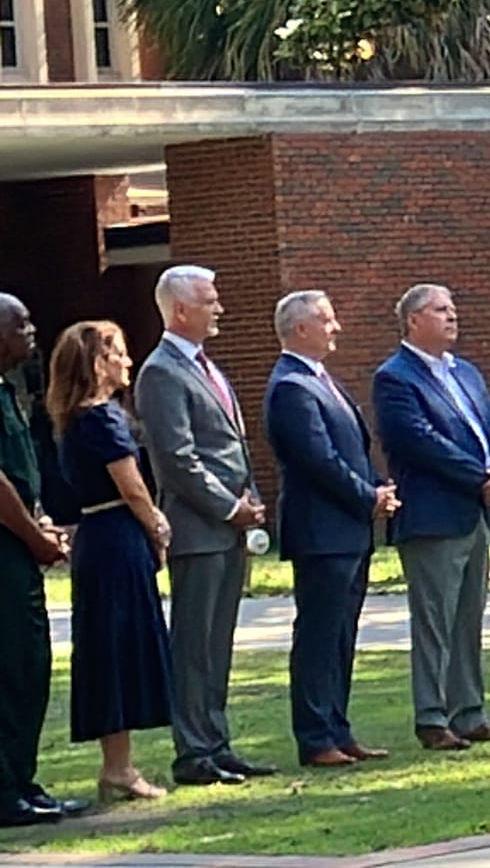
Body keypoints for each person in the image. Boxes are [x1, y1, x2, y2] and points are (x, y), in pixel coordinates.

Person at [132, 265, 274, 787]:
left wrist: (250, 500)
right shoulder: (161, 371)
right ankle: (193, 752)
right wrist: (226, 507)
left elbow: (230, 446)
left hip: (229, 526)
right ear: (181, 309)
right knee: (193, 645)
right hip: (198, 530)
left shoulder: (206, 366)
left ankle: (218, 742)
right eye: (210, 301)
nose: (220, 309)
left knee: (219, 643)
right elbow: (177, 459)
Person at [372, 283, 490, 752]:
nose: (453, 316)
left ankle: (470, 712)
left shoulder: (467, 373)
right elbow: (416, 441)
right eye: (442, 310)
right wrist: (479, 475)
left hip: (477, 512)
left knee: (468, 620)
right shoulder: (395, 378)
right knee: (435, 622)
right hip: (434, 516)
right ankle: (432, 717)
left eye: (454, 308)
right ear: (414, 320)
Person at [263, 291, 399, 768]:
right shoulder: (291, 386)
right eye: (326, 319)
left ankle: (338, 728)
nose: (336, 326)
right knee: (319, 635)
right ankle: (315, 736)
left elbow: (351, 450)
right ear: (300, 329)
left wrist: (376, 488)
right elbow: (318, 460)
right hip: (321, 533)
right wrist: (368, 496)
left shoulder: (323, 380)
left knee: (343, 634)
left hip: (348, 531)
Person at [48, 321, 173, 804]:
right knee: (118, 649)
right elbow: (131, 484)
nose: (127, 360)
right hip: (117, 538)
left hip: (100, 541)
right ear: (98, 363)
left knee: (109, 648)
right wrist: (157, 525)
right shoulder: (99, 418)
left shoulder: (76, 420)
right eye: (118, 353)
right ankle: (118, 768)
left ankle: (118, 764)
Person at [0, 296, 83, 826]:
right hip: (5, 554)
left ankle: (22, 781)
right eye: (20, 323)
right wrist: (34, 537)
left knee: (30, 670)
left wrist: (41, 524)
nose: (32, 330)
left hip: (19, 544)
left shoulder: (9, 393)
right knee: (10, 671)